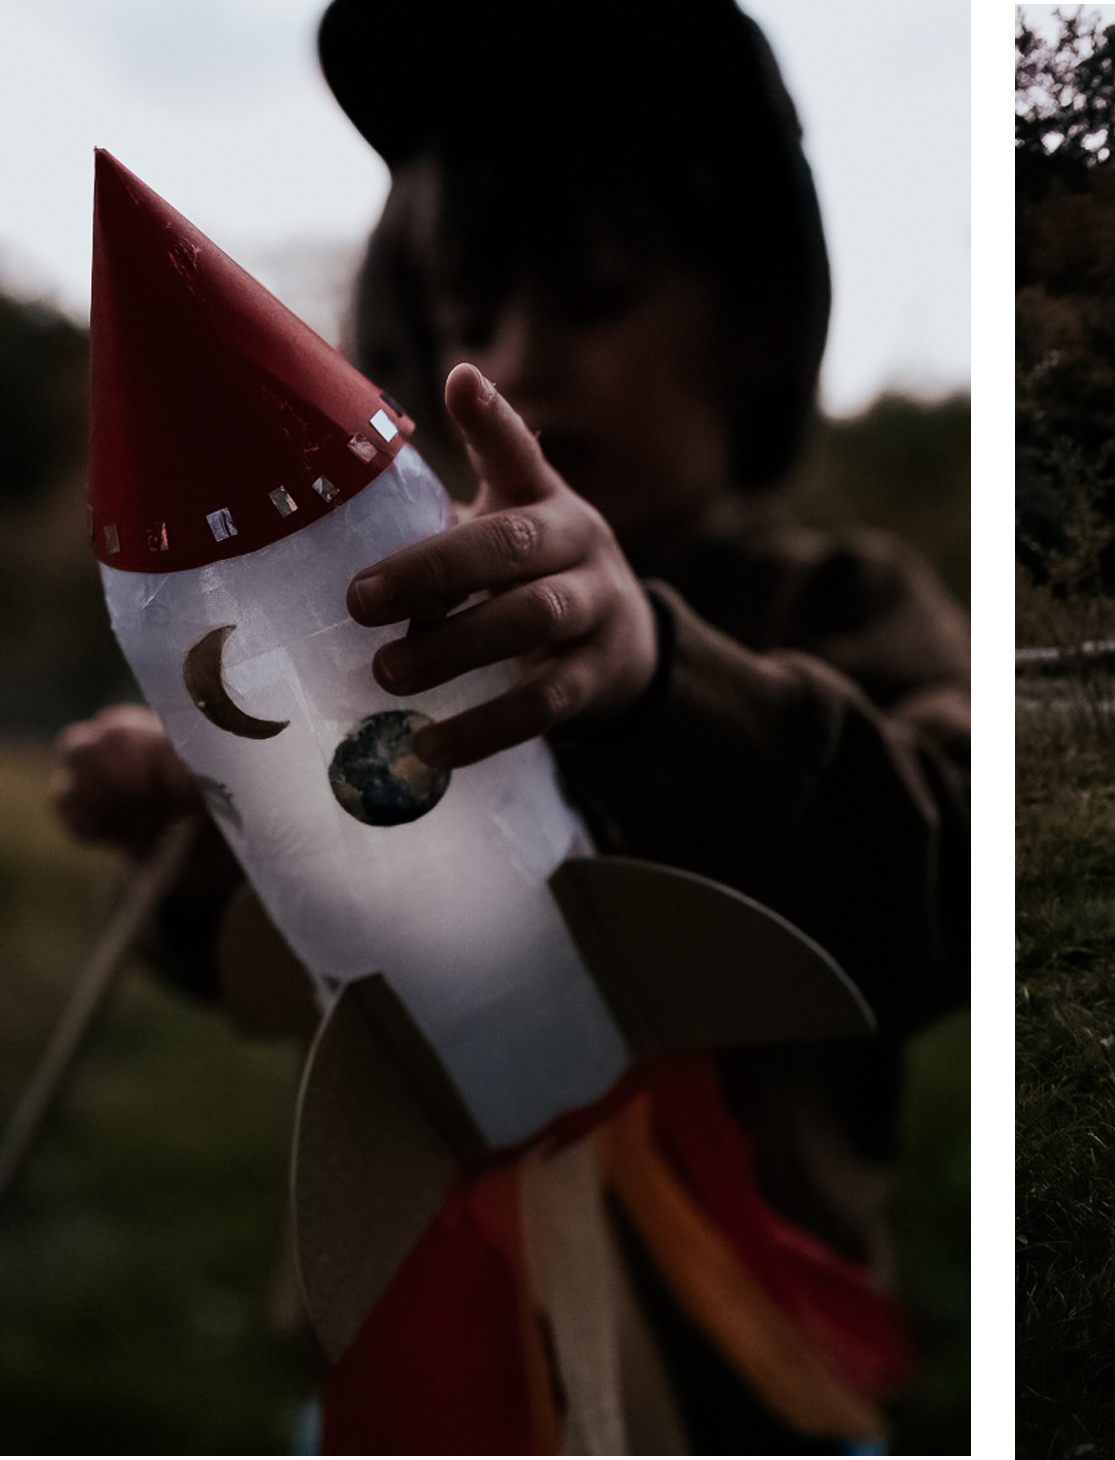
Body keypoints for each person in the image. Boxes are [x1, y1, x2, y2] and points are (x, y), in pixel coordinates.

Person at [53, 0, 967, 1448]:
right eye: (469, 317)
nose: (520, 360)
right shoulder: (379, 649)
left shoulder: (836, 599)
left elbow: (951, 880)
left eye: (592, 294)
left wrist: (665, 678)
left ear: (749, 314)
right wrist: (196, 819)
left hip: (746, 1376)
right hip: (417, 1359)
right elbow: (298, 963)